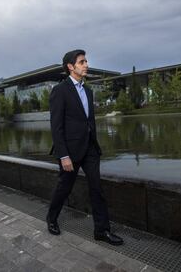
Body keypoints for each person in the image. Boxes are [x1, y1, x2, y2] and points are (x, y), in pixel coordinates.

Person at [46, 49, 123, 246]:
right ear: (70, 67)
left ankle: (102, 230)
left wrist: (94, 145)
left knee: (97, 188)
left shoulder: (88, 91)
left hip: (90, 149)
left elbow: (89, 121)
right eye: (82, 62)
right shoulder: (60, 91)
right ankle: (51, 218)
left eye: (86, 61)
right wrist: (63, 155)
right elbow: (56, 127)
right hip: (70, 152)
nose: (86, 64)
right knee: (64, 187)